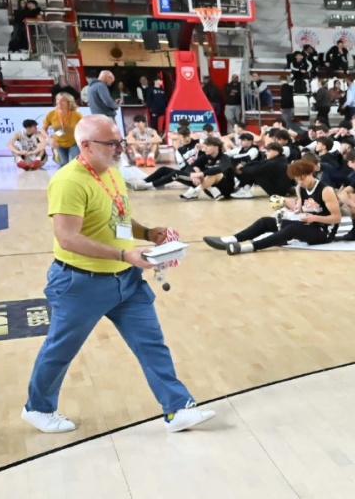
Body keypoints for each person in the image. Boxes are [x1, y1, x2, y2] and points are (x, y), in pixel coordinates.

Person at [22, 115, 213, 435]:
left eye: (119, 141)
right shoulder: (69, 182)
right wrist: (125, 254)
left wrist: (146, 231)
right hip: (79, 284)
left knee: (151, 343)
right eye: (111, 143)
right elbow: (68, 237)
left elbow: (116, 221)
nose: (119, 148)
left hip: (126, 279)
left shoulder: (112, 174)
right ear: (85, 146)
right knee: (60, 349)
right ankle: (38, 408)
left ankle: (177, 407)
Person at [204, 159, 340, 255]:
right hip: (308, 224)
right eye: (297, 179)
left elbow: (336, 218)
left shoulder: (325, 190)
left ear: (311, 173)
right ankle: (232, 239)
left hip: (324, 232)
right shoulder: (300, 188)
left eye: (302, 178)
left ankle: (248, 247)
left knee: (291, 228)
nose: (300, 182)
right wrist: (289, 210)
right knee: (266, 221)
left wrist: (314, 217)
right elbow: (302, 209)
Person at [43, 92, 82, 167]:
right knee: (63, 164)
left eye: (62, 100)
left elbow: (84, 127)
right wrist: (49, 139)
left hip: (73, 142)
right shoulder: (51, 114)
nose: (59, 102)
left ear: (69, 103)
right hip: (58, 143)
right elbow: (43, 129)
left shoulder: (76, 115)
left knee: (72, 163)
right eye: (57, 100)